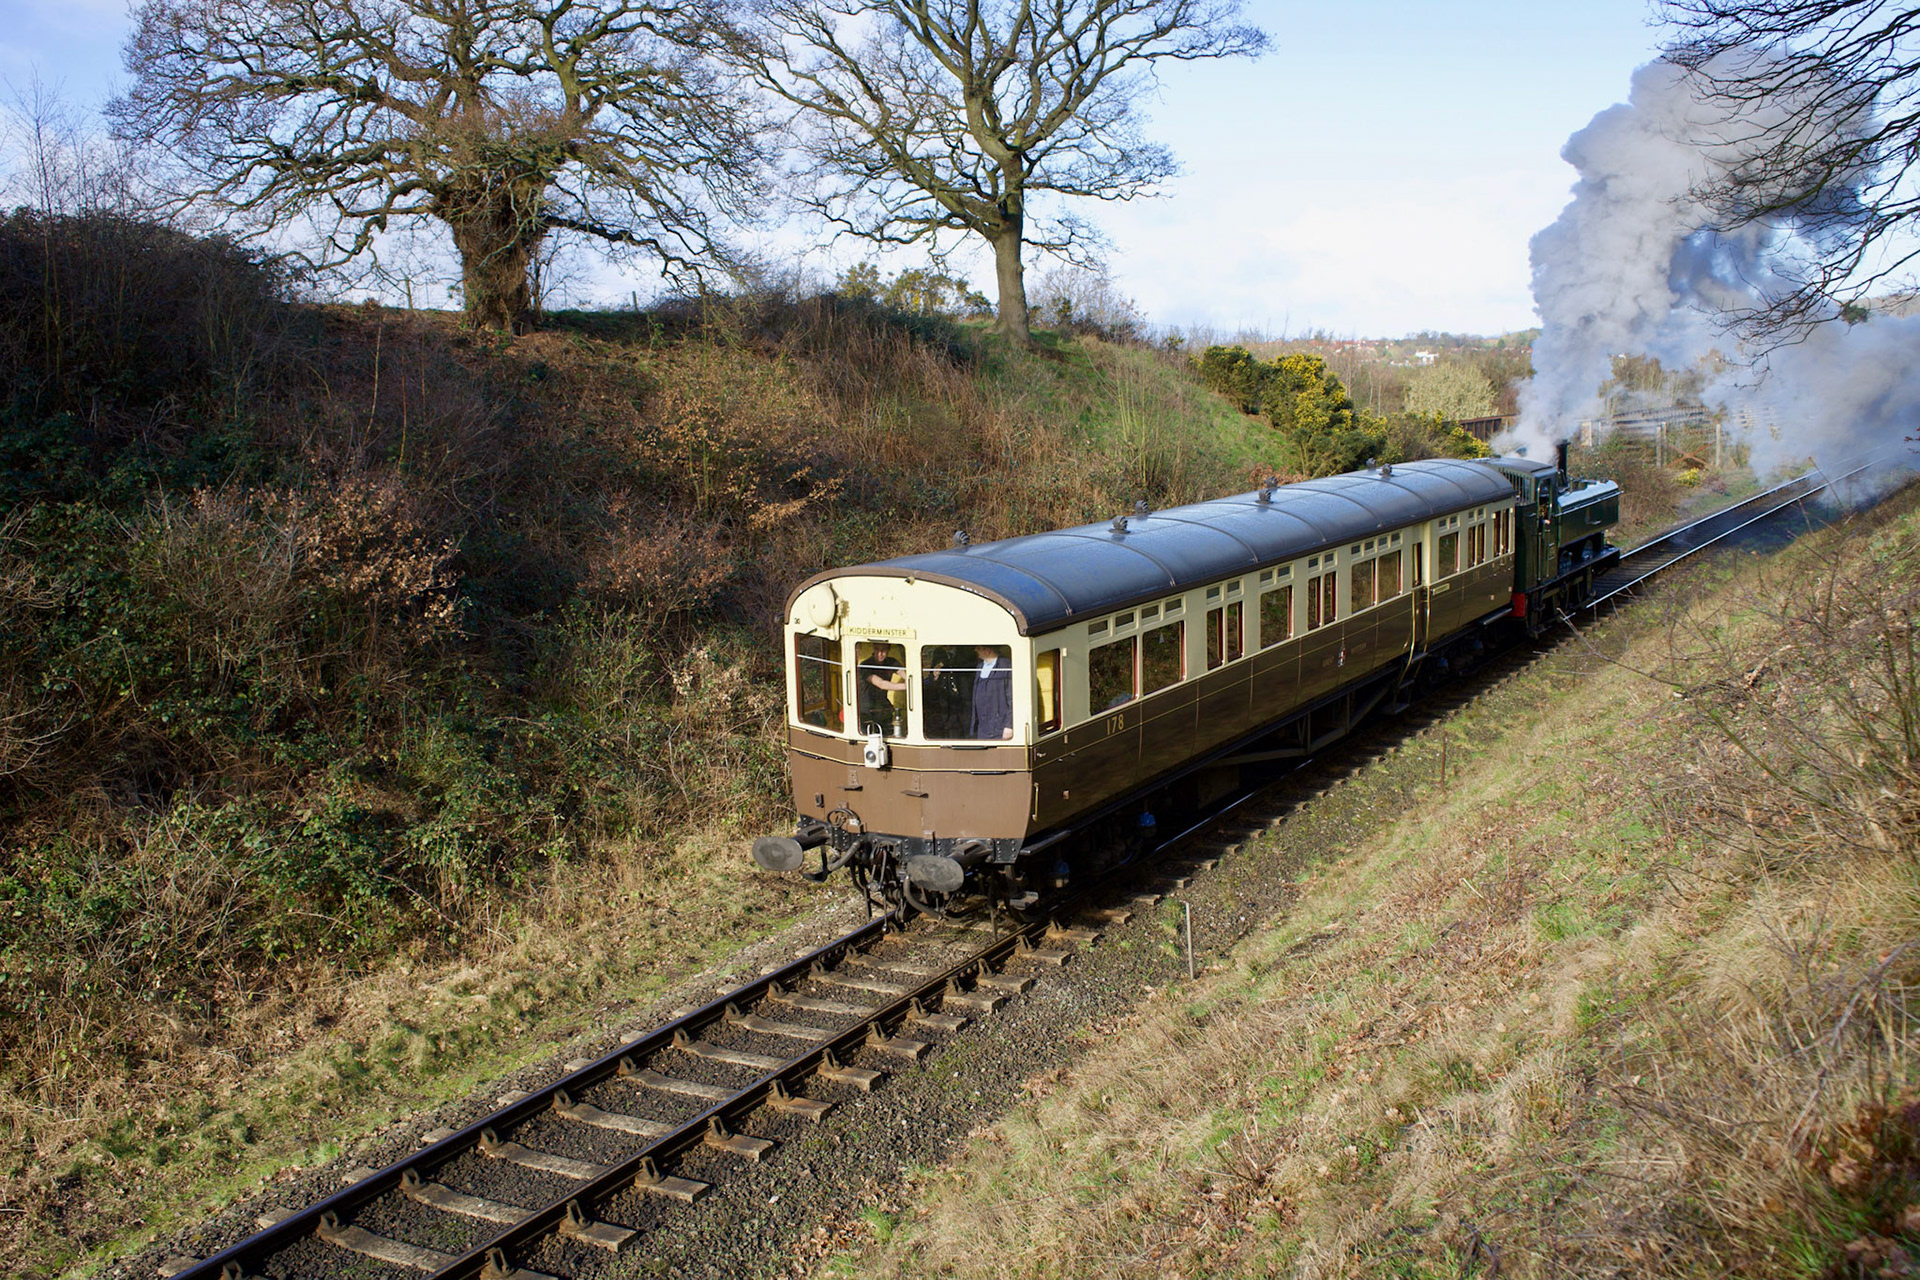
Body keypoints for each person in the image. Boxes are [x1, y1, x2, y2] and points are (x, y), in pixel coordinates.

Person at [857, 641, 907, 734]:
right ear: (873, 649)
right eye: (877, 649)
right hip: (867, 710)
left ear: (888, 650)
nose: (880, 654)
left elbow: (903, 673)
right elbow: (881, 684)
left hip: (883, 707)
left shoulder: (891, 662)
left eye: (883, 650)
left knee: (890, 733)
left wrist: (908, 678)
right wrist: (906, 686)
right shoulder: (865, 665)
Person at [969, 644, 1013, 740]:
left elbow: (1012, 698)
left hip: (999, 726)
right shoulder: (980, 666)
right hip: (982, 726)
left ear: (988, 650)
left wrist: (1009, 725)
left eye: (979, 648)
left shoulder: (1005, 666)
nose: (976, 650)